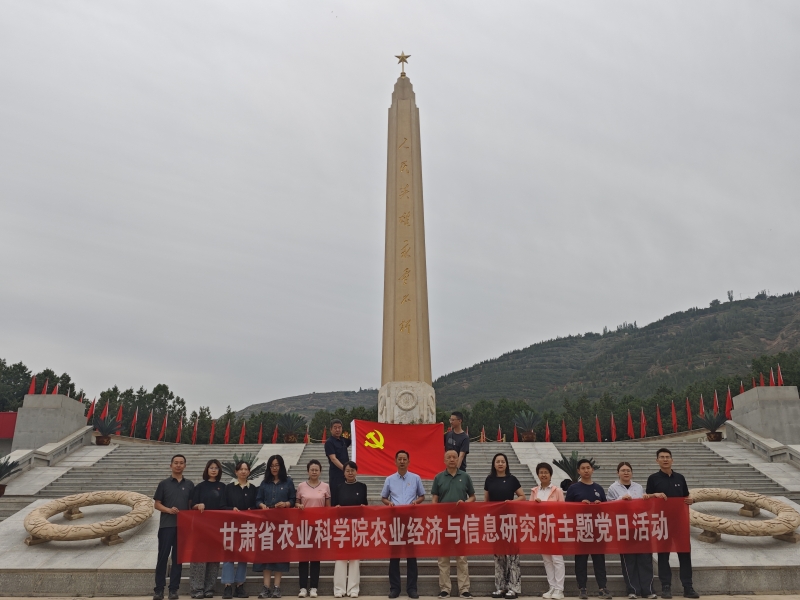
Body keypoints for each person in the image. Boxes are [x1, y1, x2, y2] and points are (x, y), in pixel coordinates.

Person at [645, 448, 699, 599]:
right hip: (662, 522)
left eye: (667, 457)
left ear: (672, 460)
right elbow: (647, 498)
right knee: (663, 555)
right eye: (662, 457)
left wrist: (691, 500)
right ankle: (666, 587)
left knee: (685, 553)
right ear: (657, 461)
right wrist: (654, 495)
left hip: (680, 522)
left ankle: (688, 587)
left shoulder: (680, 478)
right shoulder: (653, 478)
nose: (665, 459)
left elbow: (686, 496)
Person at [607, 462, 656, 600]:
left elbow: (645, 506)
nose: (626, 472)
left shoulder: (638, 487)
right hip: (624, 529)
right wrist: (620, 499)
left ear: (632, 473)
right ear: (618, 473)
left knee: (645, 560)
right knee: (629, 561)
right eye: (623, 470)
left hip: (641, 527)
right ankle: (632, 590)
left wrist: (646, 499)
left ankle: (648, 590)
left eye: (628, 470)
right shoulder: (613, 488)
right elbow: (608, 506)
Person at [431, 449, 476, 599]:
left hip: (460, 522)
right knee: (443, 558)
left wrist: (465, 502)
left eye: (454, 457)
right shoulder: (438, 477)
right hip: (443, 522)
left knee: (461, 557)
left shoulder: (465, 476)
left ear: (458, 460)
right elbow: (434, 500)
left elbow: (473, 497)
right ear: (444, 461)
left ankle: (464, 589)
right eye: (449, 457)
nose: (451, 459)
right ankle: (445, 589)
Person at [381, 449, 425, 599]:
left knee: (411, 555)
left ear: (408, 461)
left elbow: (422, 495)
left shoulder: (416, 478)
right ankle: (395, 588)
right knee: (394, 556)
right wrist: (389, 503)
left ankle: (412, 588)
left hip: (411, 521)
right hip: (395, 521)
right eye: (399, 459)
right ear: (395, 461)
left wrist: (416, 502)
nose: (402, 461)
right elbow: (383, 497)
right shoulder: (389, 479)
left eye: (404, 459)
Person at [565, 459, 612, 600]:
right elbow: (566, 509)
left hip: (597, 529)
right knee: (581, 560)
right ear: (578, 471)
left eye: (588, 468)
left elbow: (606, 508)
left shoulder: (599, 488)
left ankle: (602, 588)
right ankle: (582, 588)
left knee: (599, 560)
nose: (586, 470)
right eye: (583, 468)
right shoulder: (573, 488)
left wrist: (599, 505)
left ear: (592, 470)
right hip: (581, 529)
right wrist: (579, 505)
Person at [153, 454, 195, 600]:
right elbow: (157, 504)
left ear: (185, 466)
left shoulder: (189, 484)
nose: (178, 465)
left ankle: (173, 590)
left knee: (178, 559)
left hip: (182, 527)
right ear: (171, 465)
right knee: (162, 558)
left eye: (181, 463)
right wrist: (168, 510)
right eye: (176, 463)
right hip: (166, 526)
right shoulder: (163, 484)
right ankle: (159, 590)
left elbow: (191, 505)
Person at [254, 455, 296, 599]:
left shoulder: (288, 482)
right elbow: (258, 499)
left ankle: (277, 587)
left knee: (280, 554)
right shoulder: (264, 482)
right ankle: (266, 587)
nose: (274, 468)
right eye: (272, 465)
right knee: (266, 554)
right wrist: (261, 505)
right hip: (266, 523)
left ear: (281, 466)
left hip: (282, 523)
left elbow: (293, 499)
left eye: (277, 465)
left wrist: (286, 504)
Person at [484, 453, 525, 599]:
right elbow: (487, 501)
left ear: (506, 464)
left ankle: (514, 588)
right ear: (494, 464)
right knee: (498, 556)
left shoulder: (512, 479)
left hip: (510, 521)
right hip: (496, 522)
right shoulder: (489, 480)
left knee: (513, 556)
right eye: (498, 461)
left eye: (503, 461)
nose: (500, 464)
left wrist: (511, 502)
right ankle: (500, 587)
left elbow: (522, 497)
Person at [190, 459, 227, 599]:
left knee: (214, 558)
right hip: (201, 527)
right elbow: (192, 505)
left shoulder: (223, 487)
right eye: (211, 467)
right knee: (199, 558)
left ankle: (209, 588)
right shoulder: (200, 487)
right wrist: (197, 505)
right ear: (206, 469)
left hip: (217, 528)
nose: (213, 470)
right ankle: (197, 589)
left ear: (219, 471)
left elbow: (225, 506)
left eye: (216, 468)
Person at [222, 461, 259, 599]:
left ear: (249, 472)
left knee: (243, 556)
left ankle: (240, 585)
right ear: (236, 472)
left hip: (247, 527)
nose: (243, 471)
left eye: (246, 469)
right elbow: (222, 506)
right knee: (229, 555)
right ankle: (227, 586)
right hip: (231, 526)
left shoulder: (253, 489)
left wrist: (252, 510)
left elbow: (256, 506)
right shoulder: (229, 488)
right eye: (241, 469)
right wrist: (231, 509)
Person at [296, 459, 331, 599]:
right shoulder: (301, 486)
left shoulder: (326, 486)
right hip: (304, 526)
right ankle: (303, 587)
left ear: (320, 472)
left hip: (318, 527)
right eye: (312, 470)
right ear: (308, 471)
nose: (314, 472)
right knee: (303, 558)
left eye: (317, 470)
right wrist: (298, 505)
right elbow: (296, 502)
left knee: (316, 558)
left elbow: (328, 507)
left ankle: (314, 587)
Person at [530, 463, 565, 600]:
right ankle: (552, 587)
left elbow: (562, 510)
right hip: (541, 529)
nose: (543, 475)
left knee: (557, 558)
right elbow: (529, 511)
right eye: (541, 472)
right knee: (547, 559)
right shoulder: (534, 491)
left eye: (546, 472)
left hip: (554, 527)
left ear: (550, 475)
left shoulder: (557, 491)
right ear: (538, 475)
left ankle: (559, 589)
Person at [334, 461, 368, 599]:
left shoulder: (362, 486)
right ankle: (339, 589)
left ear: (356, 472)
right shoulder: (338, 487)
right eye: (347, 470)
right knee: (340, 558)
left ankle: (353, 589)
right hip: (341, 527)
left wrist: (363, 507)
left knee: (355, 558)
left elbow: (365, 505)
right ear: (344, 473)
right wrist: (336, 508)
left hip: (356, 527)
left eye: (352, 470)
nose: (350, 473)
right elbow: (334, 506)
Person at [325, 419, 352, 507]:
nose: (337, 430)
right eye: (335, 427)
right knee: (336, 497)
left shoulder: (343, 440)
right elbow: (333, 459)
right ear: (331, 429)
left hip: (346, 474)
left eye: (339, 427)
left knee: (347, 496)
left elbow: (355, 439)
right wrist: (345, 469)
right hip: (336, 475)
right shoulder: (329, 442)